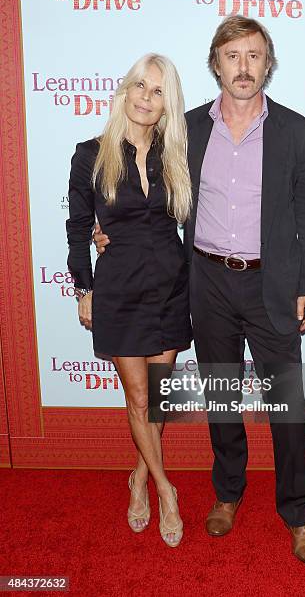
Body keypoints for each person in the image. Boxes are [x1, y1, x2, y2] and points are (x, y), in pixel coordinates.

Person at [94, 16, 305, 564]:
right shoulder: (189, 128)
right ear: (215, 64)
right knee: (222, 397)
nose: (243, 67)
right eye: (232, 56)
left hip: (273, 284)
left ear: (267, 64)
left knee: (288, 407)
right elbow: (137, 185)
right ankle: (228, 493)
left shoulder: (296, 130)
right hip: (207, 281)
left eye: (253, 55)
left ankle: (298, 513)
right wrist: (106, 232)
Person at [66, 53, 193, 548]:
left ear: (167, 103)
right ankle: (165, 488)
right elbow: (78, 228)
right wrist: (84, 286)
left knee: (157, 399)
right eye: (140, 85)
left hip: (169, 283)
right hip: (118, 287)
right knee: (138, 398)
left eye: (158, 90)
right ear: (124, 91)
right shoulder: (90, 153)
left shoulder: (177, 154)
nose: (146, 96)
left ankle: (138, 475)